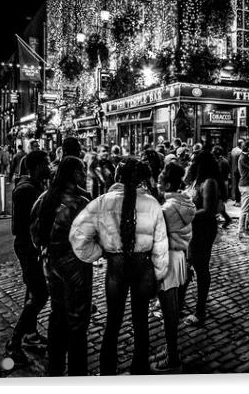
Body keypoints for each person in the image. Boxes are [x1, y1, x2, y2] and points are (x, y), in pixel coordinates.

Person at [69, 157, 169, 375]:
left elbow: (78, 235)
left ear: (117, 176)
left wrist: (100, 252)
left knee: (113, 322)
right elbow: (161, 245)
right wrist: (159, 274)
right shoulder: (152, 203)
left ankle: (107, 372)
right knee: (141, 320)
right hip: (143, 267)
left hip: (116, 267)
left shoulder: (102, 202)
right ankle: (139, 368)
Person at [30, 156, 92, 376]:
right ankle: (77, 373)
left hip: (50, 264)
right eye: (82, 170)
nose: (85, 174)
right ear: (75, 174)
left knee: (57, 314)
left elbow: (35, 235)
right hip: (75, 267)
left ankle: (55, 368)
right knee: (77, 321)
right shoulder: (81, 203)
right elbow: (92, 239)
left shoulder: (44, 199)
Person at [5, 150, 51, 366]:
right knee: (40, 293)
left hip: (32, 247)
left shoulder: (32, 186)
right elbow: (22, 226)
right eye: (45, 163)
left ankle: (30, 334)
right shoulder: (26, 190)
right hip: (27, 247)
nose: (49, 166)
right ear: (36, 166)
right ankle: (14, 343)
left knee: (33, 291)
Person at [151, 161, 196, 374]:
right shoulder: (183, 202)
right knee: (172, 309)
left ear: (167, 183)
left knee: (169, 312)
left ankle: (173, 358)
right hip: (178, 257)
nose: (157, 182)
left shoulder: (168, 209)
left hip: (168, 258)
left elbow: (154, 233)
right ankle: (170, 349)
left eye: (160, 180)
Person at [182, 150, 219, 327]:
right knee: (187, 264)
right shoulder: (196, 180)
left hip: (203, 229)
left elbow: (209, 210)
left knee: (200, 268)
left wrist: (187, 215)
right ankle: (180, 302)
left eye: (193, 161)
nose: (190, 162)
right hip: (191, 229)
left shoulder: (209, 183)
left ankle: (200, 310)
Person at [237, 141, 249, 238]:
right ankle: (241, 230)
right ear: (248, 148)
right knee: (245, 209)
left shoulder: (246, 157)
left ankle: (247, 228)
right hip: (245, 185)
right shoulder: (243, 158)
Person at [211, 146, 232, 228]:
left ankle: (226, 219)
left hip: (220, 183)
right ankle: (226, 219)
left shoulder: (219, 162)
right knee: (220, 202)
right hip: (224, 182)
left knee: (218, 202)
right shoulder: (225, 161)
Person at [228, 139, 243, 206]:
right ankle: (238, 200)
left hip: (233, 169)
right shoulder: (240, 152)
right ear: (241, 144)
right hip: (239, 170)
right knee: (239, 186)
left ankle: (235, 198)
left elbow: (230, 160)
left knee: (235, 184)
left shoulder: (233, 150)